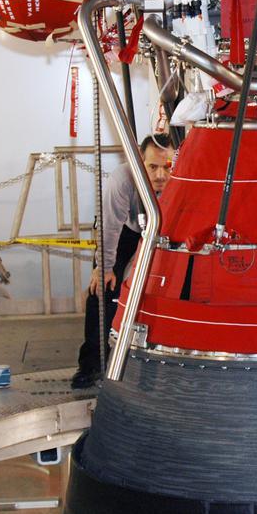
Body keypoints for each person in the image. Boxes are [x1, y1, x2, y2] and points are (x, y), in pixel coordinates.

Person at [71, 134, 174, 388]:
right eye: (153, 167)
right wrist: (104, 268)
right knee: (101, 288)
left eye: (167, 166)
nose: (160, 175)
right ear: (140, 161)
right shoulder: (123, 178)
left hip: (168, 229)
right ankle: (91, 364)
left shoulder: (185, 177)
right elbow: (110, 226)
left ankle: (165, 359)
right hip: (128, 228)